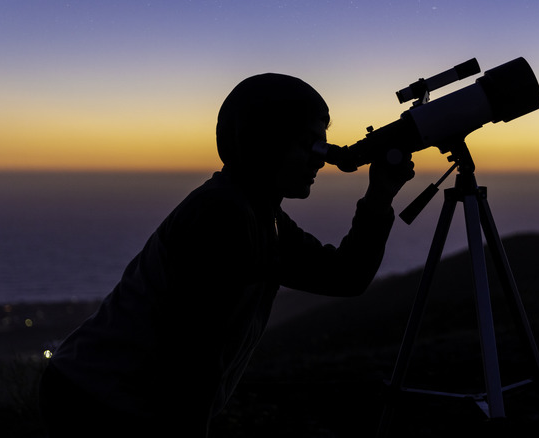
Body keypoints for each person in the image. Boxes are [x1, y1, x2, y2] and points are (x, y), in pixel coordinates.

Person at [39, 73, 414, 436]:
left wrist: (380, 196)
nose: (320, 159)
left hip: (112, 397)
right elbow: (190, 362)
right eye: (308, 144)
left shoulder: (263, 213)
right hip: (101, 403)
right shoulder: (222, 214)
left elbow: (345, 276)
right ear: (263, 141)